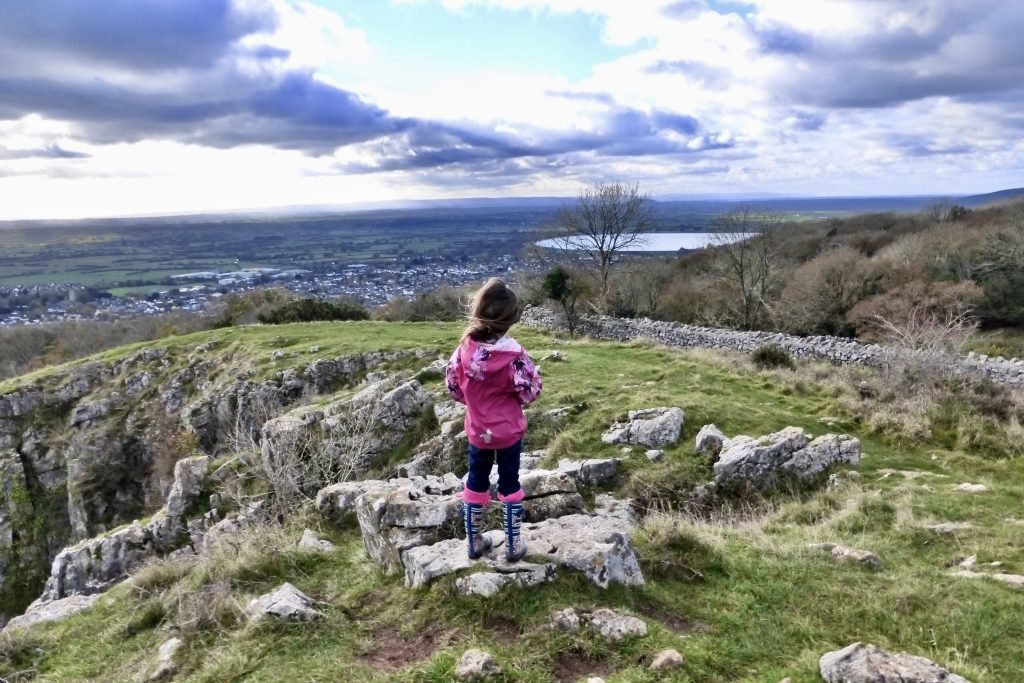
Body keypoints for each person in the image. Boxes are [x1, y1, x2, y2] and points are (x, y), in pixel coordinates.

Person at [445, 278, 542, 562]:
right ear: (511, 320)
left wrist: (475, 401)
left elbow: (453, 386)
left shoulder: (464, 351)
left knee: (475, 481)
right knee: (510, 483)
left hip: (477, 430)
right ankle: (513, 544)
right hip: (509, 431)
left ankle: (474, 542)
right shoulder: (514, 356)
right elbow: (530, 391)